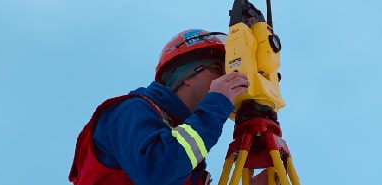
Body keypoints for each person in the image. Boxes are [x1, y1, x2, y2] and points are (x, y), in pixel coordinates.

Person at [69, 29, 273, 185]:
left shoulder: (182, 147)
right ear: (186, 76)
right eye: (218, 69)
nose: (227, 77)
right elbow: (158, 170)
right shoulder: (129, 111)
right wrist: (216, 103)